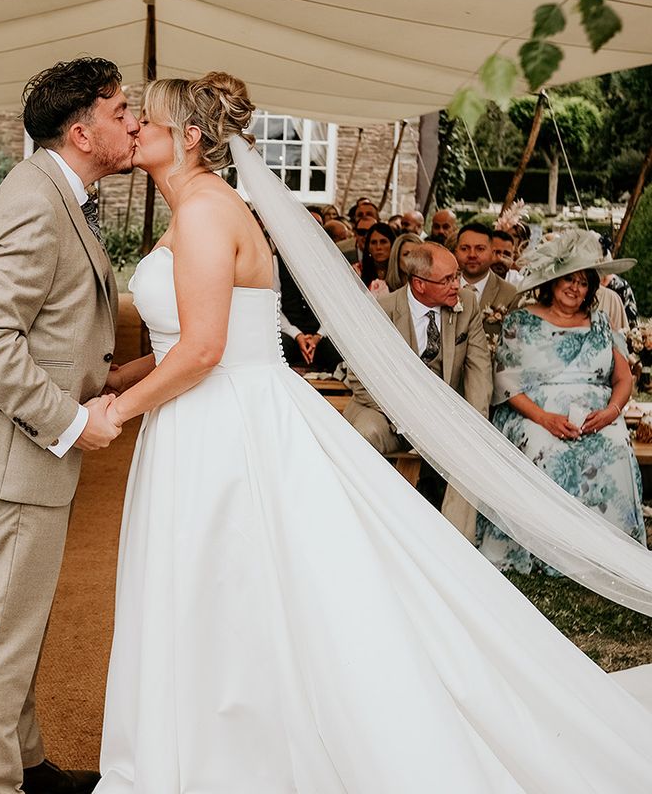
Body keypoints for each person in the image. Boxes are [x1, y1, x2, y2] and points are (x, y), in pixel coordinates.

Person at [94, 72, 652, 793]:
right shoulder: (196, 207)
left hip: (226, 422)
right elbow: (198, 339)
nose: (135, 125)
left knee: (238, 578)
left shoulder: (205, 211)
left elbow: (202, 352)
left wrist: (118, 410)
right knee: (224, 582)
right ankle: (210, 735)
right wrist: (115, 376)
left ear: (191, 137)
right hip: (211, 413)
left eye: (149, 118)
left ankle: (241, 751)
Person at [0, 58, 136, 794]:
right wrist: (70, 421)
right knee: (5, 632)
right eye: (120, 110)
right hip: (21, 446)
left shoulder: (56, 191)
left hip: (24, 442)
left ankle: (27, 762)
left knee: (19, 620)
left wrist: (117, 378)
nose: (133, 121)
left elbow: (51, 324)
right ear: (82, 132)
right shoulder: (34, 201)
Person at [480, 230, 646, 573]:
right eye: (567, 279)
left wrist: (611, 412)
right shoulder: (522, 320)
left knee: (614, 444)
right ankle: (547, 551)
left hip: (595, 417)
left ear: (591, 288)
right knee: (546, 449)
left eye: (583, 282)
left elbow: (623, 378)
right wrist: (545, 419)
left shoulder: (600, 323)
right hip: (534, 414)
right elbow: (506, 383)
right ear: (552, 283)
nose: (575, 288)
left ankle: (604, 550)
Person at [344, 241, 492, 530]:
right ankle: (362, 525)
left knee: (471, 447)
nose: (457, 285)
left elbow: (479, 370)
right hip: (383, 411)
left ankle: (455, 541)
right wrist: (404, 415)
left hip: (443, 417)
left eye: (457, 275)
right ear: (419, 284)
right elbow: (359, 379)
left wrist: (477, 425)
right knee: (362, 434)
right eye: (447, 279)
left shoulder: (467, 304)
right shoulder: (380, 310)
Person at [453, 222, 518, 343]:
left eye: (480, 249)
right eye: (465, 249)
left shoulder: (511, 295)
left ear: (492, 253)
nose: (472, 255)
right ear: (456, 251)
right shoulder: (442, 286)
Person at [353, 220, 393, 292]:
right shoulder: (357, 271)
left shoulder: (401, 271)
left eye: (383, 242)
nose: (378, 247)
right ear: (368, 247)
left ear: (393, 245)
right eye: (373, 242)